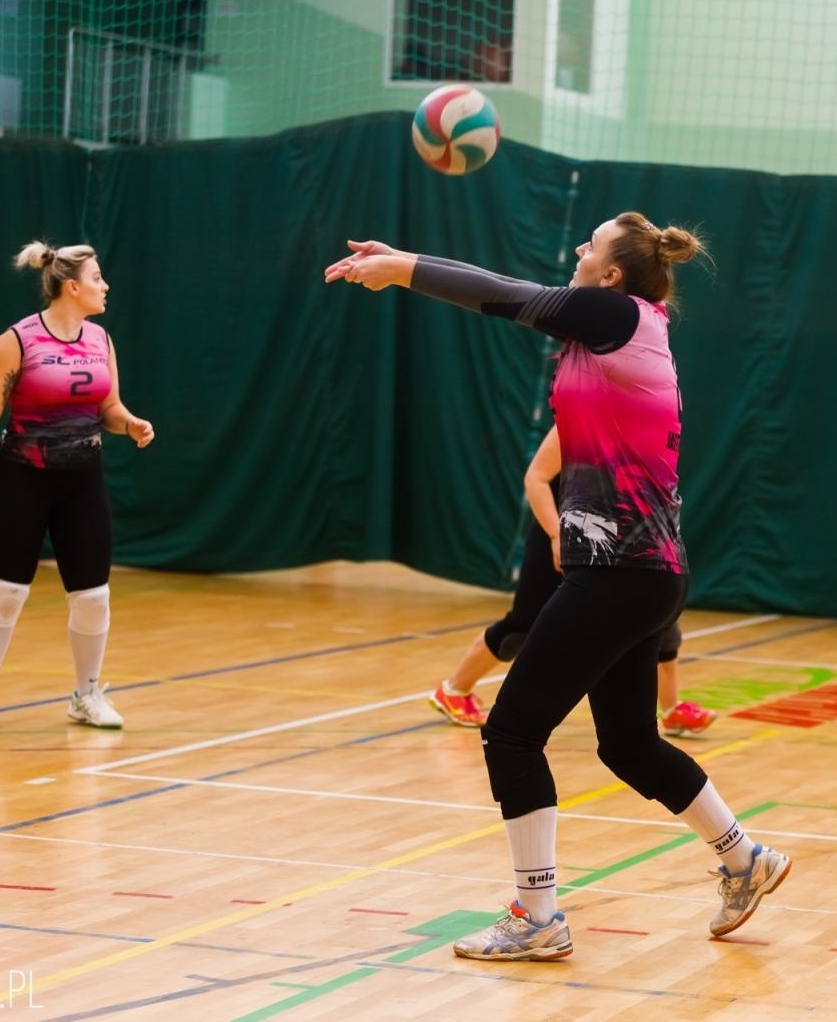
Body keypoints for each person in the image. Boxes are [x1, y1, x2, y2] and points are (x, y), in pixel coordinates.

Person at [325, 213, 790, 961]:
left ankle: (537, 916)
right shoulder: (625, 327)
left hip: (621, 573)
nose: (578, 249)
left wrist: (401, 268)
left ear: (612, 274)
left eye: (591, 245)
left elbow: (501, 294)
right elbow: (508, 290)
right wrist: (402, 258)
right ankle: (745, 859)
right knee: (630, 744)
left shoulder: (613, 314)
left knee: (511, 733)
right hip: (647, 573)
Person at [0, 241, 154, 731]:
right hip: (22, 479)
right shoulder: (16, 341)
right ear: (71, 287)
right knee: (7, 592)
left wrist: (130, 422)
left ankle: (86, 695)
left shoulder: (101, 340)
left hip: (83, 482)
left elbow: (109, 407)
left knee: (93, 596)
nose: (105, 286)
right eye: (97, 278)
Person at [431, 425, 718, 738]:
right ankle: (455, 690)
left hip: (615, 535)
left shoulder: (641, 418)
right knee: (525, 624)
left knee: (657, 619)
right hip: (562, 533)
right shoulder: (577, 418)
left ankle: (671, 709)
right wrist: (557, 536)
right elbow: (536, 479)